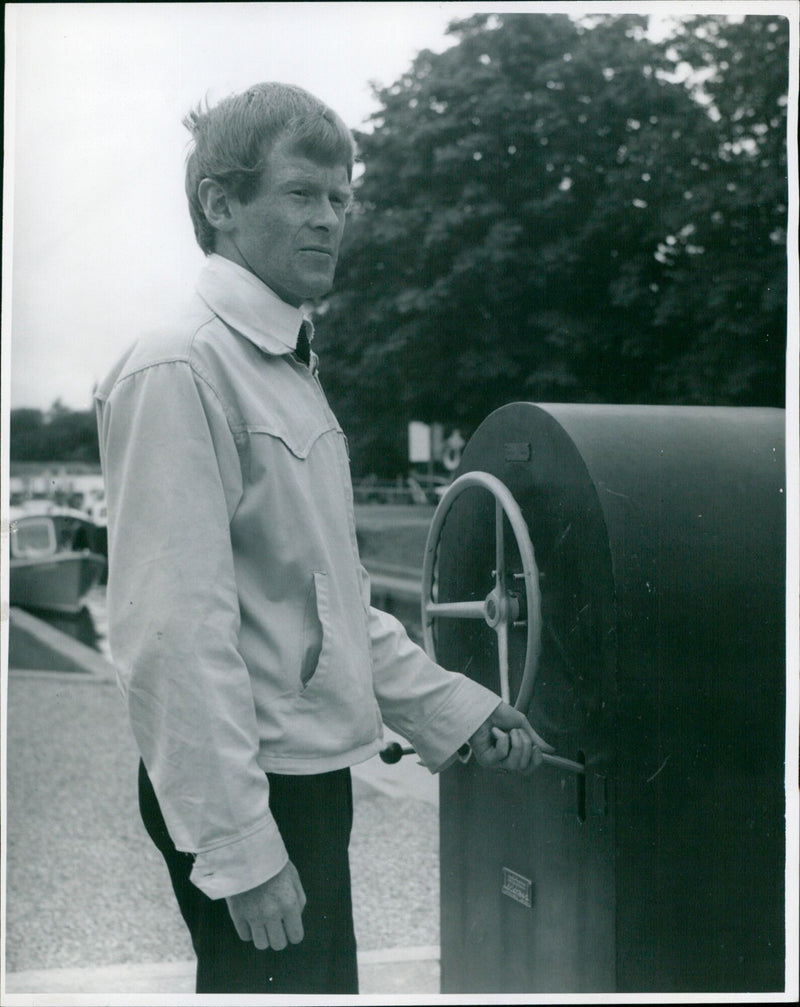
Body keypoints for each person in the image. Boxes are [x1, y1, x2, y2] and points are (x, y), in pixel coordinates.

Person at [95, 82, 552, 995]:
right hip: (251, 784)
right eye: (303, 194)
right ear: (220, 205)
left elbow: (332, 601)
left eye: (342, 198)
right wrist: (239, 849)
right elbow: (171, 634)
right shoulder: (182, 363)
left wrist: (455, 710)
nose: (331, 220)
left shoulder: (285, 367)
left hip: (301, 777)